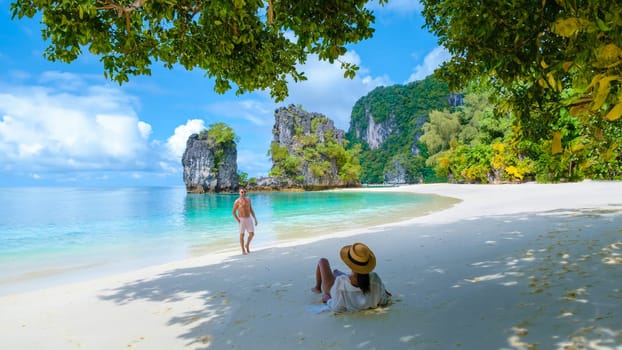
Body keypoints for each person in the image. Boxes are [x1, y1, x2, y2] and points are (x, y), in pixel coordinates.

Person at [311, 242, 391, 312]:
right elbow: (383, 300)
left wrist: (328, 300)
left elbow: (337, 308)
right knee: (340, 276)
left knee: (322, 261)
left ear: (350, 264)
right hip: (352, 283)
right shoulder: (375, 279)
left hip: (338, 288)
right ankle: (337, 273)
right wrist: (383, 290)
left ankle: (317, 288)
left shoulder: (340, 282)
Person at [232, 187, 258, 255]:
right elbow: (233, 212)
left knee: (252, 234)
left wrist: (255, 218)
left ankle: (247, 245)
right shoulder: (237, 201)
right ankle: (243, 250)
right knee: (242, 235)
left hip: (249, 218)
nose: (243, 193)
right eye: (242, 192)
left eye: (244, 192)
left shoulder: (248, 200)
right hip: (241, 219)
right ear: (239, 193)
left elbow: (251, 209)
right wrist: (238, 220)